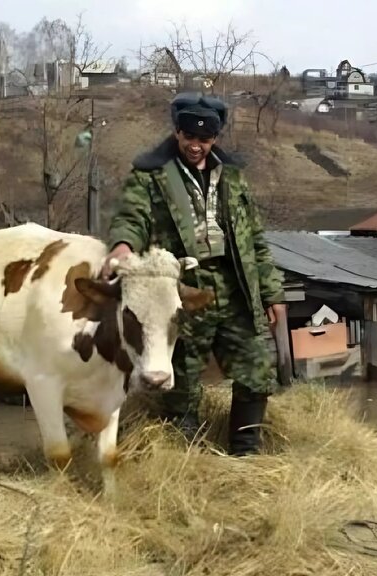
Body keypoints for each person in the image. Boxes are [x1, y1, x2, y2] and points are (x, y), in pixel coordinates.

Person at [100, 92, 285, 456]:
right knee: (181, 379)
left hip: (234, 287)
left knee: (255, 370)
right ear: (177, 132)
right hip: (182, 290)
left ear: (215, 137)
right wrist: (122, 245)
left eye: (205, 138)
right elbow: (131, 217)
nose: (196, 145)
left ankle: (246, 454)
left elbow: (255, 240)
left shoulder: (233, 176)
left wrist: (272, 293)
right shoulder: (151, 174)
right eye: (189, 136)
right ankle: (186, 457)